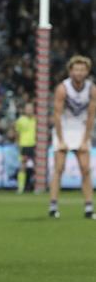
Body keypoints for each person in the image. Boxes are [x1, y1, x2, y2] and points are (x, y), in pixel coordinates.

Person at [49, 56, 96, 219]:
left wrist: (85, 140)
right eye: (76, 69)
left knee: (85, 169)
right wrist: (61, 140)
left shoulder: (91, 89)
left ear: (87, 72)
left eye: (82, 70)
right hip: (64, 128)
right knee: (59, 169)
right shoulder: (63, 88)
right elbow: (57, 114)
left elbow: (91, 115)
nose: (79, 72)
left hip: (81, 130)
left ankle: (89, 207)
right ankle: (53, 205)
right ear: (70, 71)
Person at [14, 102, 36, 194]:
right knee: (22, 166)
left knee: (37, 167)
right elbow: (17, 133)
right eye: (28, 109)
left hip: (35, 145)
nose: (29, 110)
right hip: (24, 145)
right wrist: (18, 144)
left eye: (31, 109)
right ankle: (21, 187)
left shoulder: (36, 119)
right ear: (25, 110)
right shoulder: (20, 120)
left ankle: (36, 187)